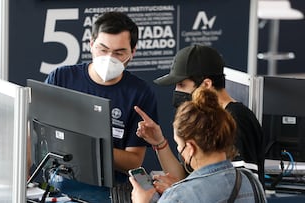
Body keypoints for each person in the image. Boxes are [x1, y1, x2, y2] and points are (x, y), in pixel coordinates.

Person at [45, 11, 158, 183]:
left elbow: (134, 161)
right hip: (61, 181)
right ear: (91, 44)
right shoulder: (61, 78)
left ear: (132, 52)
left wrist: (87, 147)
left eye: (119, 53)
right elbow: (33, 131)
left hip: (113, 189)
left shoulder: (140, 93)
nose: (109, 59)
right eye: (102, 50)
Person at [134, 44, 265, 192]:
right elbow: (185, 176)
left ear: (206, 84)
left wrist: (178, 191)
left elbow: (238, 192)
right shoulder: (205, 118)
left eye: (182, 84)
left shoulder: (237, 120)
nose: (177, 91)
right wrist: (159, 143)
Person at [130, 87, 266, 202]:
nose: (179, 149)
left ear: (190, 148)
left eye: (179, 145)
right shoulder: (251, 181)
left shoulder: (177, 196)